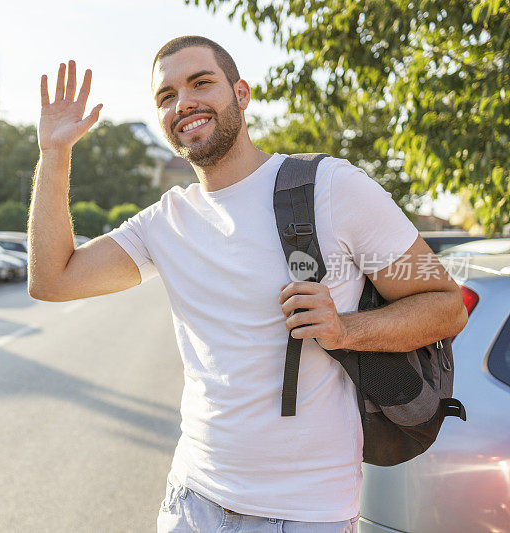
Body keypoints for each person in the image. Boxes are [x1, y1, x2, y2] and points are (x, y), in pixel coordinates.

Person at [27, 36, 468, 533]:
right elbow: (53, 280)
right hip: (193, 501)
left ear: (241, 93)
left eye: (201, 83)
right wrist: (55, 152)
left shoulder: (331, 187)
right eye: (166, 96)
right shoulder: (165, 221)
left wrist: (345, 329)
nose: (183, 102)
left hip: (308, 514)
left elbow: (445, 306)